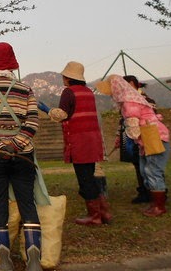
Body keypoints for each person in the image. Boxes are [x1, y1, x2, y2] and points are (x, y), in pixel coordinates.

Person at [0, 42, 47, 271]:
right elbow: (33, 121)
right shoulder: (26, 90)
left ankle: (4, 260)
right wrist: (16, 144)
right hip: (23, 153)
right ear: (12, 63)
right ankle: (34, 259)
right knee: (27, 202)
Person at [46, 61, 110, 226]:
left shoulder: (68, 92)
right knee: (92, 174)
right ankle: (104, 212)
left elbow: (63, 115)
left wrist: (47, 110)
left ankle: (94, 216)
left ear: (67, 77)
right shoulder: (88, 91)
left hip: (79, 141)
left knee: (85, 178)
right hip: (93, 139)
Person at [97, 74, 170, 217]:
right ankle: (154, 203)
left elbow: (133, 126)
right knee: (144, 170)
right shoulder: (130, 100)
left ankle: (159, 206)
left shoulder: (130, 103)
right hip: (147, 138)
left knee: (152, 171)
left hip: (154, 137)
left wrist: (128, 137)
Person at [113, 75, 155, 204]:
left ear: (131, 84)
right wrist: (119, 136)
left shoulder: (145, 100)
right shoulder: (127, 101)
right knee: (138, 164)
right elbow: (124, 119)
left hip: (147, 134)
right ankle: (143, 191)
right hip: (131, 136)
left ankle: (156, 192)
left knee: (151, 164)